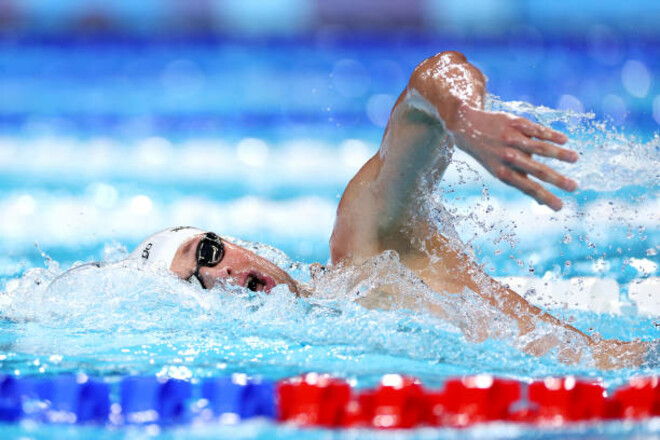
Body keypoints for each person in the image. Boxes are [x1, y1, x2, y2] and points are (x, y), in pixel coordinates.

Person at [129, 51, 653, 370]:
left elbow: (430, 80)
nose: (223, 276)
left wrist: (465, 120)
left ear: (236, 241)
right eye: (197, 285)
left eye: (210, 252)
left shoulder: (366, 250)